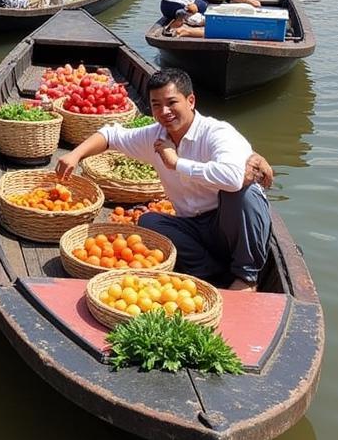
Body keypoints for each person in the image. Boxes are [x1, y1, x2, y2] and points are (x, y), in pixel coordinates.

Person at [56, 68, 273, 290]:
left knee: (245, 194)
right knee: (149, 222)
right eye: (156, 105)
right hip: (193, 226)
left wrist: (176, 162)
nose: (164, 111)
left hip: (228, 223)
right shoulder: (155, 136)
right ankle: (209, 274)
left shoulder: (218, 133)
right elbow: (111, 135)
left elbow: (233, 178)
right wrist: (76, 154)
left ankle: (246, 278)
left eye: (172, 103)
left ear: (191, 101)